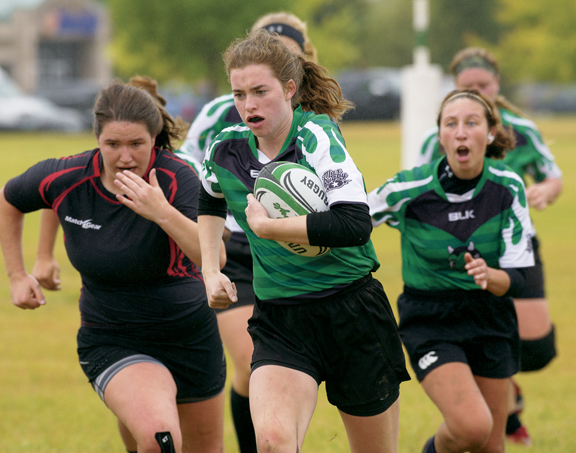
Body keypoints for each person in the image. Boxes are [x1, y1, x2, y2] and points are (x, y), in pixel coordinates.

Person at [197, 29, 410, 453]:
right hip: (282, 318)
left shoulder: (317, 138)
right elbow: (209, 199)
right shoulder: (225, 148)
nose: (248, 105)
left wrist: (272, 227)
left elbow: (354, 223)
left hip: (352, 312)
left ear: (290, 89)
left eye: (260, 91)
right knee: (274, 443)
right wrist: (208, 269)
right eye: (239, 94)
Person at [0, 78, 227, 453]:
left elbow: (217, 258)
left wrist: (162, 213)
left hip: (190, 336)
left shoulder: (177, 179)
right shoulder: (68, 176)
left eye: (137, 144)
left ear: (154, 138)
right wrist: (17, 274)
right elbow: (7, 200)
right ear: (97, 140)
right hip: (114, 338)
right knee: (159, 440)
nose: (125, 157)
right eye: (112, 144)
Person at [179, 12, 319, 453]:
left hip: (297, 252)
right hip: (237, 249)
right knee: (250, 361)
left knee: (295, 373)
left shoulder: (317, 120)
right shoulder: (222, 112)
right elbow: (185, 165)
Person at [369, 89, 535, 453]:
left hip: (491, 318)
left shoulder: (506, 187)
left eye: (471, 123)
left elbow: (520, 279)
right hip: (431, 320)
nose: (461, 132)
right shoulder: (408, 189)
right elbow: (350, 222)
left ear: (489, 133)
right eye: (451, 124)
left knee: (491, 447)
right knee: (471, 427)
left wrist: (491, 277)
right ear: (440, 135)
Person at [415, 47, 561, 446]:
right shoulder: (439, 137)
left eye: (482, 86)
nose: (477, 92)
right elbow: (418, 186)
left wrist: (544, 192)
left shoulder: (521, 130)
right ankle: (496, 405)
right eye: (467, 88)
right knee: (488, 336)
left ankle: (504, 389)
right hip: (464, 252)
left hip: (517, 245)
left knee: (538, 347)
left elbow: (554, 177)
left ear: (496, 85)